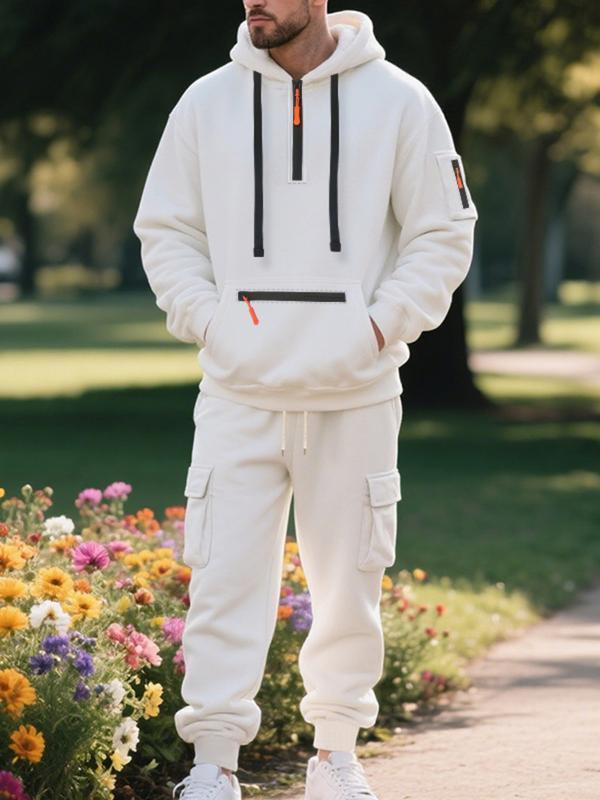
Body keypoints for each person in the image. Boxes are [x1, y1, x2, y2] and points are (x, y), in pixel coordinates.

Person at [133, 1, 478, 797]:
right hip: (237, 392)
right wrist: (212, 324)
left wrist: (376, 329)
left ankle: (336, 758)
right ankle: (213, 765)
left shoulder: (400, 100)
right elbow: (167, 232)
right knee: (222, 578)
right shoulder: (205, 102)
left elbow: (443, 233)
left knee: (350, 583)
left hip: (356, 392)